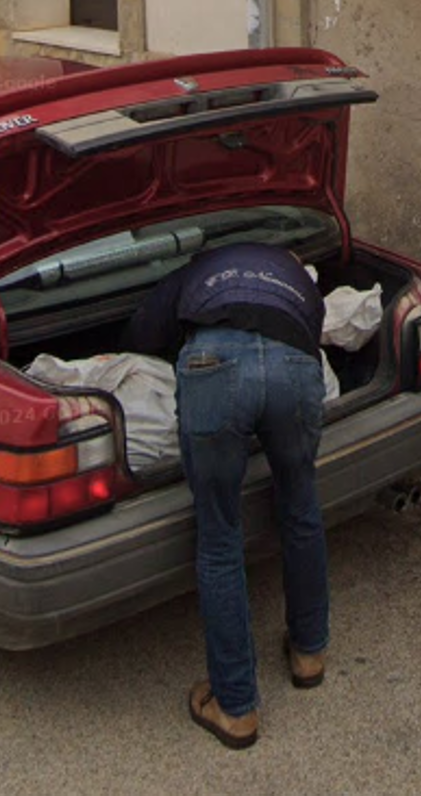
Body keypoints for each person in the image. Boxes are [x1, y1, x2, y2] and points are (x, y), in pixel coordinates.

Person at [123, 241, 329, 750]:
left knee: (219, 538)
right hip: (295, 368)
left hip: (213, 363)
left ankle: (235, 706)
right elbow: (313, 331)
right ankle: (308, 654)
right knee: (301, 508)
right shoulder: (295, 272)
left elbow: (143, 333)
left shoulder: (196, 270)